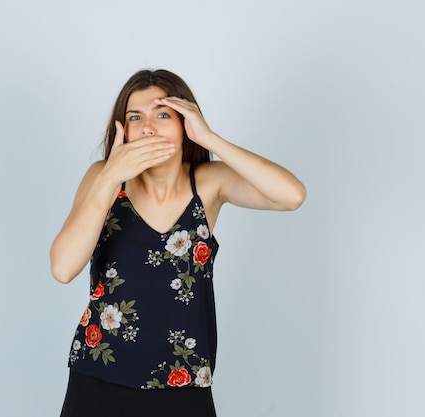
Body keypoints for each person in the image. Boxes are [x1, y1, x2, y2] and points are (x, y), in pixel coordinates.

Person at [50, 69, 306, 417]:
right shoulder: (103, 178)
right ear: (122, 128)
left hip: (183, 384)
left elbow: (292, 195)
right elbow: (63, 268)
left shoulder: (208, 184)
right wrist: (111, 174)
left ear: (186, 123)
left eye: (163, 114)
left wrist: (211, 139)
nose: (148, 127)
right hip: (98, 376)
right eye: (135, 117)